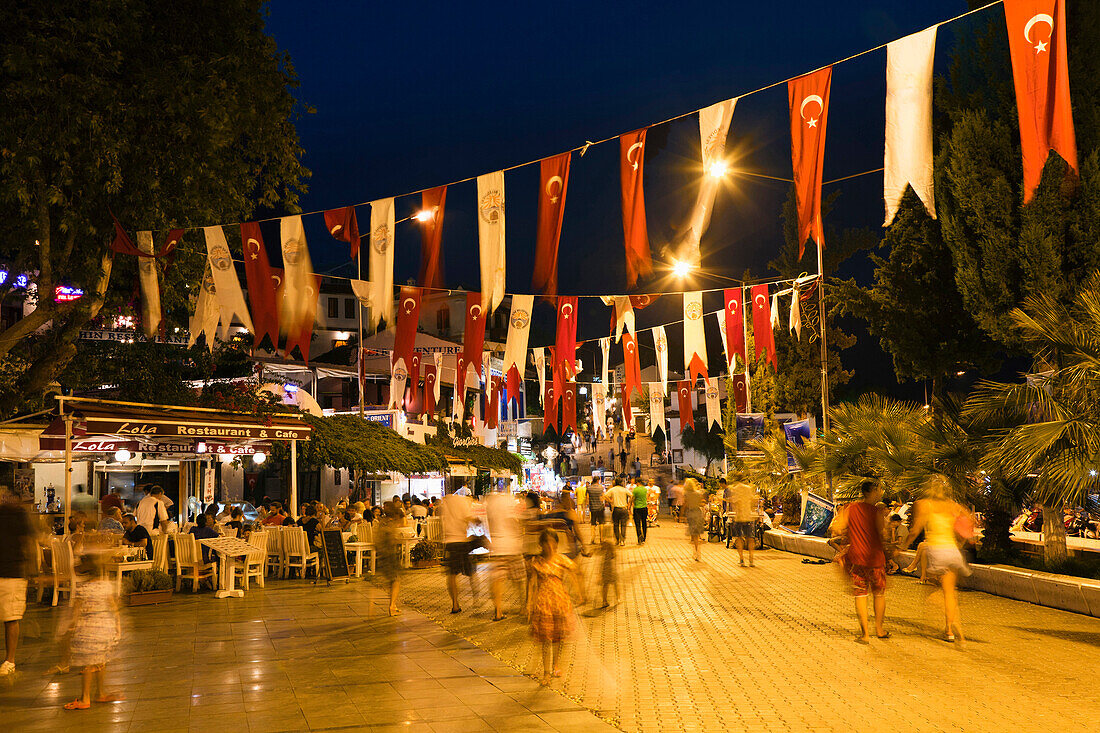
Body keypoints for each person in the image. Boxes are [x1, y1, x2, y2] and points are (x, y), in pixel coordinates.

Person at [904, 475, 973, 645]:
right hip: (953, 551)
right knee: (949, 592)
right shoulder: (952, 505)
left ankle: (947, 622)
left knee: (935, 592)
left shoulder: (924, 504)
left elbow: (915, 530)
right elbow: (969, 519)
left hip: (937, 551)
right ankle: (949, 629)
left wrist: (904, 546)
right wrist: (961, 540)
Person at [831, 479, 889, 643]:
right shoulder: (876, 511)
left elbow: (837, 527)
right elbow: (882, 534)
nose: (880, 492)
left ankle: (864, 634)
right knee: (879, 594)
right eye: (879, 490)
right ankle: (879, 629)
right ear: (873, 491)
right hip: (875, 558)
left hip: (857, 558)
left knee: (861, 595)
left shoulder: (851, 508)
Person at [62, 553, 122, 709]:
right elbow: (114, 607)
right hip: (105, 628)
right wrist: (117, 626)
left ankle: (85, 698)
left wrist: (71, 628)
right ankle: (101, 693)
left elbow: (76, 613)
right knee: (101, 661)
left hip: (88, 630)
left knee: (87, 664)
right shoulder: (105, 586)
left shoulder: (83, 589)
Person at [528, 529, 581, 685]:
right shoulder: (537, 562)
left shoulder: (561, 559)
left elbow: (574, 571)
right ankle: (546, 673)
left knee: (557, 638)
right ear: (541, 545)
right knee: (546, 639)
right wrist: (529, 603)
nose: (550, 546)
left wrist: (578, 592)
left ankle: (555, 664)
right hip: (543, 604)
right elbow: (532, 583)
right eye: (546, 543)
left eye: (553, 542)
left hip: (560, 603)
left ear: (557, 544)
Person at [0, 487, 34, 677]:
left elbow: (28, 541)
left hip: (12, 572)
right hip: (9, 571)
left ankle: (10, 660)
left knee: (11, 618)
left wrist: (30, 570)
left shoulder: (18, 515)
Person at [485, 489, 525, 622]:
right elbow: (513, 521)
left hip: (497, 546)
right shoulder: (509, 500)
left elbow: (489, 524)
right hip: (511, 545)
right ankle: (523, 607)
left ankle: (498, 611)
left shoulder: (490, 503)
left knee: (497, 579)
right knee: (518, 579)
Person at [441, 488, 476, 614]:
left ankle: (455, 604)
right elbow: (468, 518)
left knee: (451, 575)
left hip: (450, 542)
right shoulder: (463, 502)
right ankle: (475, 598)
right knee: (471, 572)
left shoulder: (446, 502)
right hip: (462, 540)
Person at [375, 501, 405, 616]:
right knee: (396, 580)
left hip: (382, 554)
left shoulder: (382, 522)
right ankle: (392, 606)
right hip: (390, 554)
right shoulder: (391, 523)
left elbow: (378, 539)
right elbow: (391, 539)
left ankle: (394, 604)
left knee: (392, 581)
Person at [728, 474, 759, 567]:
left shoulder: (734, 489)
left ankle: (741, 559)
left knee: (739, 538)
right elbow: (753, 501)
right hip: (748, 516)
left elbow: (734, 502)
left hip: (739, 517)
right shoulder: (748, 488)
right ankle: (751, 559)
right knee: (750, 538)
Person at [605, 479, 632, 546]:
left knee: (616, 525)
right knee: (623, 525)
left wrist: (610, 501)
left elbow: (605, 496)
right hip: (624, 509)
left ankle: (617, 540)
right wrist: (628, 503)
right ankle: (622, 540)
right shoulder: (624, 489)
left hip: (616, 509)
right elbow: (631, 495)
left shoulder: (613, 489)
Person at [683, 478, 705, 562]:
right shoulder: (698, 493)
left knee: (693, 535)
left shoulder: (686, 494)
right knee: (697, 534)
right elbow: (702, 503)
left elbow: (685, 504)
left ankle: (695, 552)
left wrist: (682, 515)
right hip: (698, 512)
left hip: (691, 513)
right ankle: (697, 552)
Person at [598, 539, 619, 609]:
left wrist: (599, 574)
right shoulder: (610, 554)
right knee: (614, 584)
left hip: (606, 571)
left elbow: (602, 565)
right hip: (610, 571)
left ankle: (604, 600)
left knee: (606, 586)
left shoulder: (605, 554)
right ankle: (617, 598)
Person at [587, 480, 606, 544]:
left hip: (592, 508)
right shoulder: (601, 488)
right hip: (600, 508)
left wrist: (589, 505)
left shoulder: (589, 488)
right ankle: (601, 538)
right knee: (601, 523)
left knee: (593, 523)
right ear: (598, 481)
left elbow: (587, 498)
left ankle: (592, 538)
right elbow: (602, 497)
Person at [631, 477, 649, 544]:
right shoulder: (645, 489)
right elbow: (647, 497)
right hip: (644, 507)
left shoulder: (635, 489)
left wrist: (630, 505)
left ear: (637, 482)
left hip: (637, 508)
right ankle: (644, 538)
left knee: (637, 523)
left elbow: (633, 498)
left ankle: (639, 538)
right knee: (644, 523)